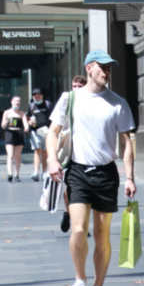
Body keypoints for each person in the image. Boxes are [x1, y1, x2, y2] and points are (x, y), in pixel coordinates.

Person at [47, 51, 136, 286]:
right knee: (78, 229)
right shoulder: (70, 98)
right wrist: (52, 159)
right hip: (78, 171)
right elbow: (53, 132)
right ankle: (79, 281)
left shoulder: (117, 103)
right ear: (89, 68)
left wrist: (129, 177)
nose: (106, 72)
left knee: (102, 235)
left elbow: (126, 141)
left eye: (109, 68)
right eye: (102, 67)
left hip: (106, 173)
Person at [59, 75, 86, 232]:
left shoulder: (92, 102)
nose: (76, 89)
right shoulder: (67, 99)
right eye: (74, 86)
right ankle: (68, 212)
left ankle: (80, 223)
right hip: (69, 150)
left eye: (79, 86)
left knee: (84, 190)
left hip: (85, 152)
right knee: (68, 187)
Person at [1, 94, 29, 181]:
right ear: (12, 102)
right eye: (16, 101)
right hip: (10, 133)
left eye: (19, 101)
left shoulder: (22, 113)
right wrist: (7, 121)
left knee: (17, 155)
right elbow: (2, 125)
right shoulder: (7, 112)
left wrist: (26, 128)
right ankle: (10, 174)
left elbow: (25, 124)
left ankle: (17, 174)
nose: (17, 103)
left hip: (19, 134)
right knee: (10, 154)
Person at [28, 86, 53, 180]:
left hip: (46, 131)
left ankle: (45, 171)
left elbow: (53, 117)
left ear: (42, 96)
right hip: (35, 131)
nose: (36, 97)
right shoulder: (31, 106)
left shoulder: (48, 104)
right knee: (37, 150)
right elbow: (27, 117)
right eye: (34, 95)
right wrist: (29, 122)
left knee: (45, 151)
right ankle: (36, 172)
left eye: (38, 95)